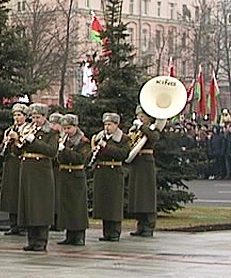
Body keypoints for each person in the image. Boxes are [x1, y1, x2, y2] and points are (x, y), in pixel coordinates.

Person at [17, 103, 58, 252]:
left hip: (41, 171)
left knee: (40, 206)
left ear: (45, 117)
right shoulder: (28, 129)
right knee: (29, 205)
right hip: (27, 170)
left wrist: (33, 141)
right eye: (33, 117)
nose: (35, 120)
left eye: (38, 117)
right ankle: (31, 239)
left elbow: (52, 151)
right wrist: (17, 142)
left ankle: (41, 240)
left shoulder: (51, 133)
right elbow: (18, 151)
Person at [92, 112, 130, 241]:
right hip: (102, 171)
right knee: (104, 204)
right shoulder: (99, 137)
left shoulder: (123, 138)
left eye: (110, 124)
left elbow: (123, 154)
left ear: (116, 125)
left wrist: (106, 147)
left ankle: (114, 232)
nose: (107, 127)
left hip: (114, 172)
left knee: (113, 204)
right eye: (105, 124)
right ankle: (106, 232)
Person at [56, 114, 90, 246]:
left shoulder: (83, 141)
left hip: (76, 174)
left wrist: (65, 151)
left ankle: (80, 235)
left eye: (69, 128)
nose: (66, 131)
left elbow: (80, 158)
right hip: (65, 174)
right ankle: (69, 235)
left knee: (77, 207)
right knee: (67, 206)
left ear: (75, 127)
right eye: (64, 128)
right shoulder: (64, 140)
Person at [127, 105, 161, 237]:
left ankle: (149, 225)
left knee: (147, 195)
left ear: (148, 119)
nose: (139, 119)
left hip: (146, 163)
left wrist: (141, 127)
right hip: (136, 163)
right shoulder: (135, 130)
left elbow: (153, 137)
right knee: (137, 196)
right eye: (138, 116)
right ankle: (140, 225)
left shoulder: (152, 129)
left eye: (142, 117)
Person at [0, 103, 29, 235]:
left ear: (25, 116)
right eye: (15, 115)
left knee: (21, 194)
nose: (16, 118)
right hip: (11, 164)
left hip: (22, 163)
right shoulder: (9, 130)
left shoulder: (28, 129)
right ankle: (13, 225)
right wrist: (5, 143)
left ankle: (23, 225)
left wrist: (17, 140)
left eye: (19, 115)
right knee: (11, 194)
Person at [48, 112, 63, 232]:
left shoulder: (62, 137)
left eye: (56, 123)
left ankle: (59, 222)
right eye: (52, 123)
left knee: (59, 196)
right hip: (50, 168)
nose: (53, 126)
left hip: (60, 169)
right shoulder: (51, 135)